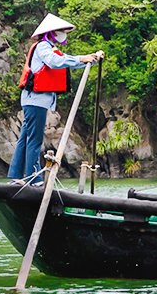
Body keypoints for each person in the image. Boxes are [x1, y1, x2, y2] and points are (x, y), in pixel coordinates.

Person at [9, 14, 104, 184]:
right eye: (60, 31)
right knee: (34, 139)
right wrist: (81, 58)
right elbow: (55, 62)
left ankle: (16, 176)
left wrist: (91, 58)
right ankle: (34, 178)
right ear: (52, 32)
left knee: (26, 137)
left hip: (36, 101)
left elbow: (65, 61)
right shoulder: (43, 47)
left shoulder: (50, 47)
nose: (63, 34)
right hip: (35, 100)